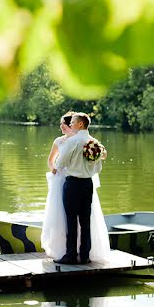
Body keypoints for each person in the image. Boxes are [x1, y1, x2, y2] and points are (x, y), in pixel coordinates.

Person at [52, 112, 107, 264]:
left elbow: (60, 163)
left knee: (71, 220)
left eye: (73, 122)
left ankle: (70, 255)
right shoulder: (95, 143)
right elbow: (98, 168)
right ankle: (84, 256)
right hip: (87, 184)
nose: (70, 125)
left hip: (73, 184)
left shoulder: (72, 141)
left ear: (80, 124)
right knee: (85, 221)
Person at [41, 113, 76, 260]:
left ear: (71, 125)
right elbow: (50, 160)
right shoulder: (58, 141)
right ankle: (60, 248)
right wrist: (53, 168)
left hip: (75, 179)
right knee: (58, 214)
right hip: (60, 180)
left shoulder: (78, 141)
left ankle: (76, 248)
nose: (61, 126)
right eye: (61, 123)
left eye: (63, 123)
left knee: (74, 215)